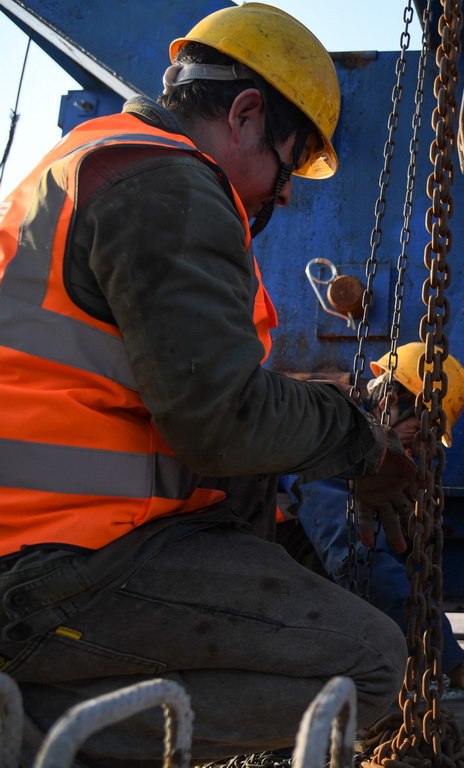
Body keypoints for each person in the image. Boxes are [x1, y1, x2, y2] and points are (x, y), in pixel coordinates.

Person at [0, 4, 416, 764]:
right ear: (246, 114)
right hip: (50, 565)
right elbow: (222, 419)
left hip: (44, 536)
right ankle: (27, 730)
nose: (286, 195)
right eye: (289, 166)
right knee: (369, 666)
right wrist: (362, 442)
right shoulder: (168, 184)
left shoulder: (90, 161)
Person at [279, 343, 464, 703]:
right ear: (389, 400)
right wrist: (451, 661)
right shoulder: (326, 432)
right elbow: (355, 557)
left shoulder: (386, 456)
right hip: (255, 568)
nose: (422, 447)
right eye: (419, 432)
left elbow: (397, 557)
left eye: (431, 439)